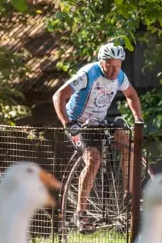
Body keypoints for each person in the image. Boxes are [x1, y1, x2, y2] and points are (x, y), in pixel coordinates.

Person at [52, 42, 145, 231]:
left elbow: (131, 95)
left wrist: (138, 120)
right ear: (101, 62)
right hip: (78, 124)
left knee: (126, 142)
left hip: (99, 122)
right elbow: (58, 96)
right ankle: (81, 213)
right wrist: (68, 124)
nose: (114, 71)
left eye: (118, 66)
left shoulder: (120, 76)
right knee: (94, 160)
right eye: (110, 66)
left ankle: (129, 196)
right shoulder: (88, 74)